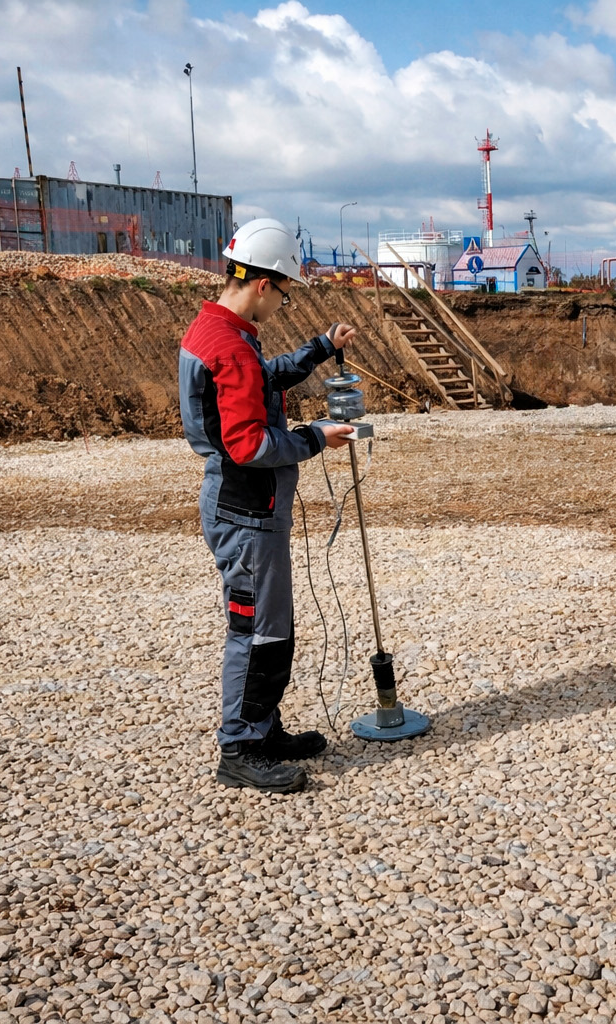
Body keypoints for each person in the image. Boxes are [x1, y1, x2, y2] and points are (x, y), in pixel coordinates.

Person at [178, 217, 355, 794]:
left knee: (269, 626)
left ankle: (263, 726)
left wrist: (319, 351)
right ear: (263, 284)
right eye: (284, 292)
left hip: (243, 505)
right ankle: (241, 746)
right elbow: (249, 443)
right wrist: (313, 438)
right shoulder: (229, 345)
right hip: (246, 509)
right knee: (258, 632)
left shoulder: (216, 329)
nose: (282, 302)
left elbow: (260, 380)